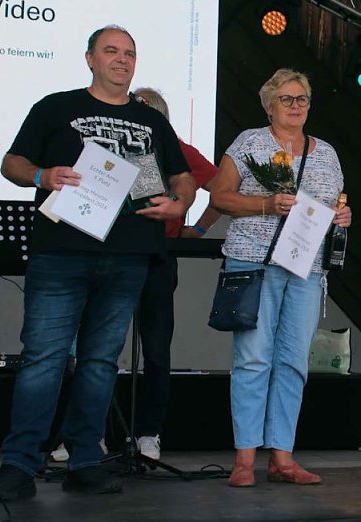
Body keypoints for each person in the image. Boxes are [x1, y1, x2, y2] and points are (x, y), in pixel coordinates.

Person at [0, 25, 196, 501]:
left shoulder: (151, 121)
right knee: (43, 360)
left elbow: (183, 176)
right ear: (90, 58)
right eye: (111, 51)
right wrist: (42, 175)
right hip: (61, 253)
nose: (122, 60)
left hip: (128, 257)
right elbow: (11, 163)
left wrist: (179, 203)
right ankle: (19, 465)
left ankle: (84, 461)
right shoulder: (55, 107)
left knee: (100, 363)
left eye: (130, 53)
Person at [210, 68, 351, 487]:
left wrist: (343, 216)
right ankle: (244, 458)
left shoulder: (327, 153)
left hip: (306, 268)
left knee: (293, 361)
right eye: (286, 99)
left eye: (302, 98)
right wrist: (267, 204)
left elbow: (334, 205)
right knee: (254, 358)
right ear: (269, 105)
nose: (295, 106)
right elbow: (219, 197)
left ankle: (282, 457)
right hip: (254, 262)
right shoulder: (250, 142)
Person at [130, 87, 222, 461]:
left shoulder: (180, 150)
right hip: (112, 256)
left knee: (155, 349)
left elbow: (222, 190)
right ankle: (87, 436)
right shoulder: (113, 146)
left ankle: (149, 433)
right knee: (98, 349)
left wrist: (197, 229)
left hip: (159, 257)